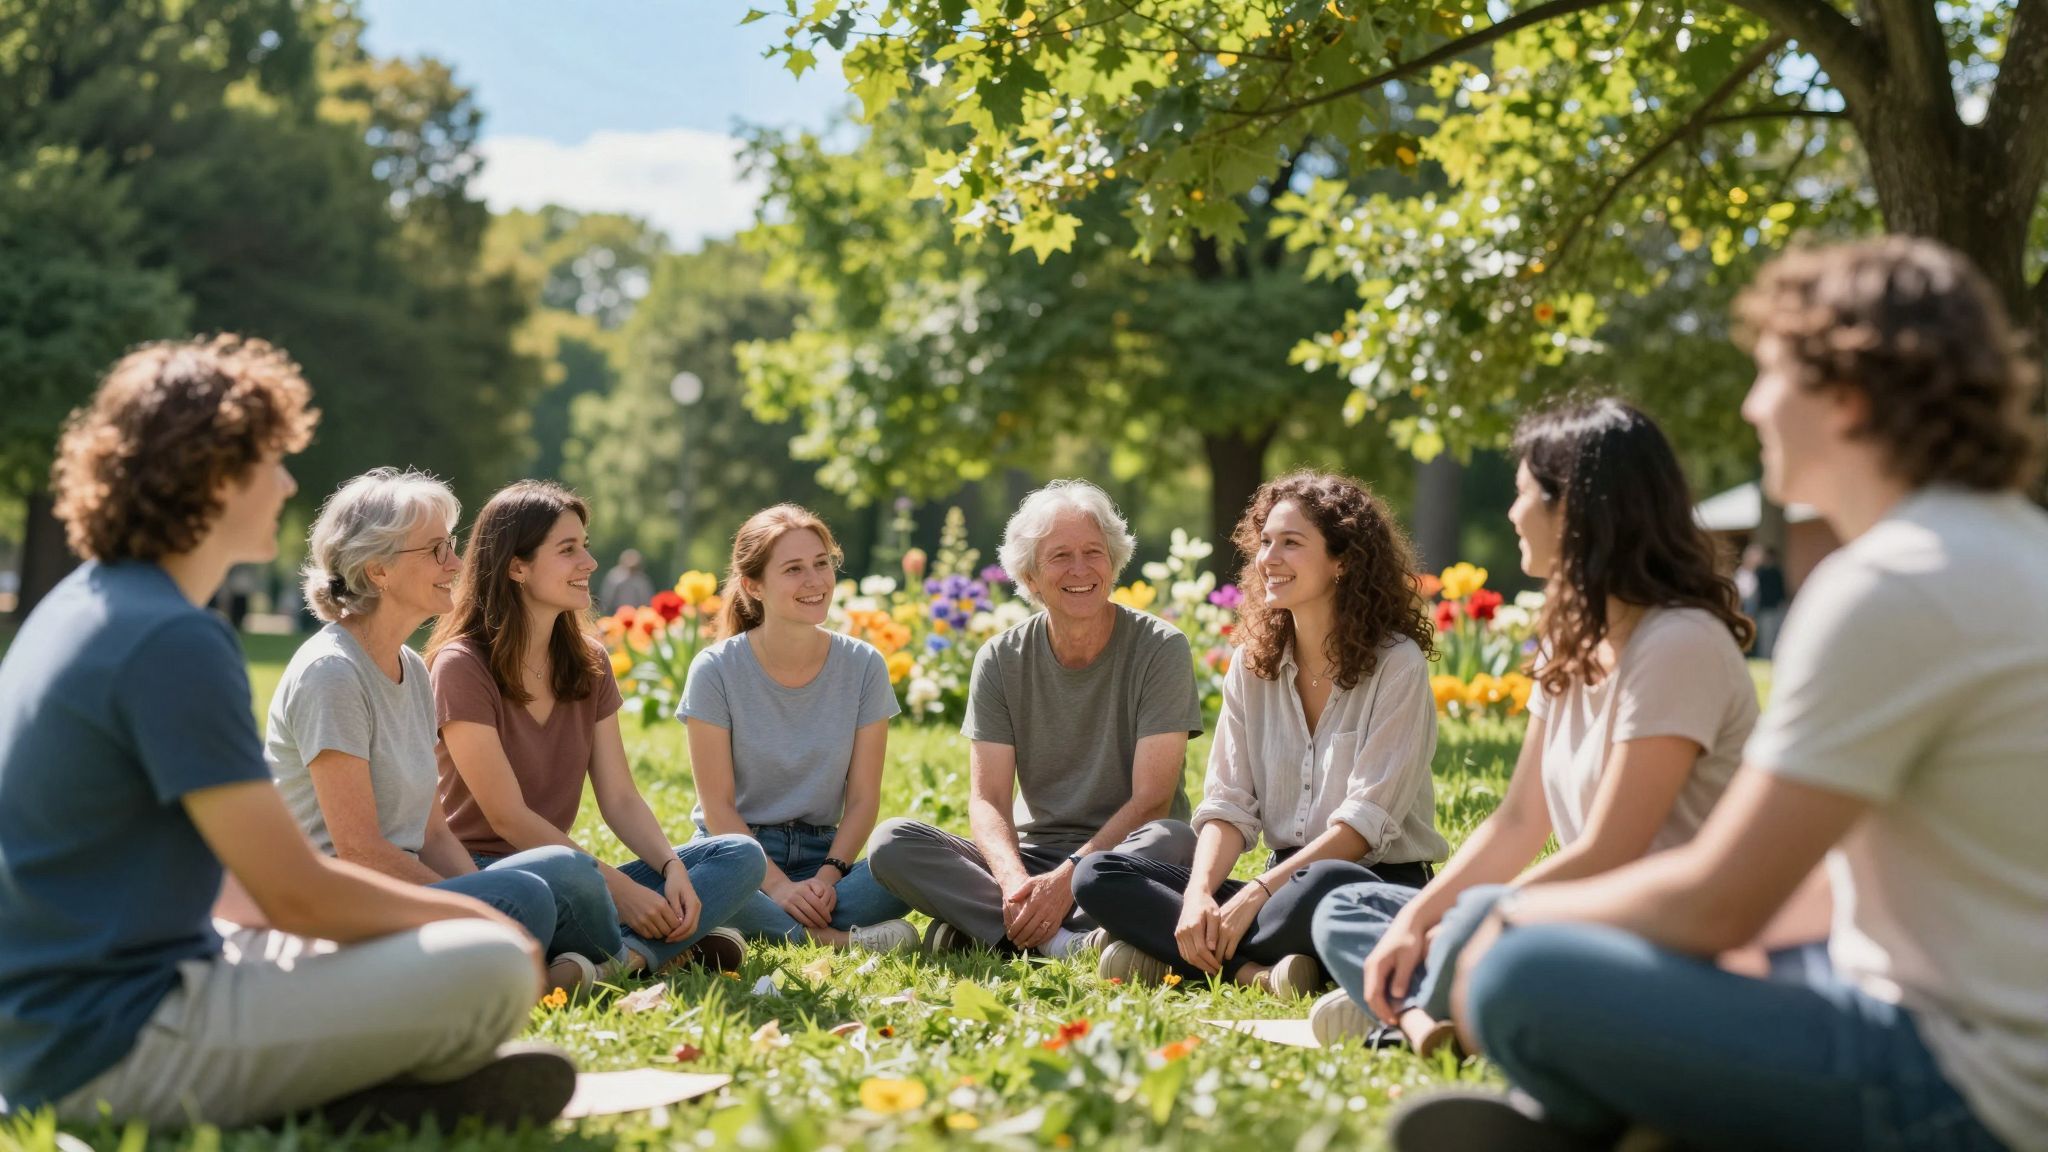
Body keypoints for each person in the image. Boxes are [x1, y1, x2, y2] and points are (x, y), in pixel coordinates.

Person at [1392, 239, 2047, 1152]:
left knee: (1524, 974)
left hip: (1960, 1083)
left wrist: (1503, 918)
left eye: (1773, 377)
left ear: (1848, 398)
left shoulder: (1891, 585)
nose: (1753, 406)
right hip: (1955, 1022)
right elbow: (1821, 890)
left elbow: (1715, 905)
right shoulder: (2012, 549)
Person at [0, 337, 572, 1129]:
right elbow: (296, 890)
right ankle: (346, 1096)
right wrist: (486, 923)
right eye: (272, 460)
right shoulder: (170, 639)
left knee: (397, 946)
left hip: (89, 1009)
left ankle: (350, 1085)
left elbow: (242, 887)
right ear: (215, 475)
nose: (289, 483)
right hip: (111, 1044)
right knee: (492, 966)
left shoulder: (87, 604)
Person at [1309, 397, 1759, 1049]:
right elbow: (1520, 820)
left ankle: (1420, 1011)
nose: (1513, 512)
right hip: (1575, 922)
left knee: (1469, 924)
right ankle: (1429, 1017)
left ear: (1571, 509)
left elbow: (1613, 850)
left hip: (1662, 943)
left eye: (1524, 493)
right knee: (1346, 907)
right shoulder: (1568, 640)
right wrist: (1423, 920)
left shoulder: (1678, 643)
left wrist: (1480, 919)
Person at [1071, 472, 1446, 996]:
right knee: (1098, 875)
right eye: (1265, 541)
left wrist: (1254, 896)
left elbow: (1365, 825)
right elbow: (1227, 805)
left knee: (1323, 885)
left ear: (1343, 561)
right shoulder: (1252, 664)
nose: (1269, 557)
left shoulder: (1397, 666)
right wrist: (1202, 894)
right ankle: (1257, 973)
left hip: (1368, 884)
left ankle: (1178, 954)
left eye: (1291, 543)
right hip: (1278, 892)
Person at [265, 467, 626, 997]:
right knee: (544, 890)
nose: (456, 564)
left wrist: (481, 896)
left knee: (547, 880)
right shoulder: (332, 674)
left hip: (407, 891)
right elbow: (359, 851)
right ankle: (609, 959)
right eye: (436, 550)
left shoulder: (410, 668)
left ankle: (584, 964)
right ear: (378, 570)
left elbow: (433, 834)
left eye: (451, 546)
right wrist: (473, 911)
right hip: (344, 908)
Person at [429, 480, 767, 979]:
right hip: (483, 875)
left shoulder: (589, 663)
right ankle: (654, 945)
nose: (589, 563)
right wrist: (619, 888)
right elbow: (507, 819)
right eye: (568, 550)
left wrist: (671, 868)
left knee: (738, 854)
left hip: (572, 875)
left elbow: (621, 798)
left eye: (584, 547)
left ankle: (619, 960)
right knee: (571, 874)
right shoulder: (461, 666)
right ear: (516, 566)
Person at [867, 480, 1204, 958]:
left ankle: (990, 931)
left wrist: (1068, 879)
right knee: (893, 843)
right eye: (1060, 556)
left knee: (1173, 838)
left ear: (1114, 562)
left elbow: (1152, 800)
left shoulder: (1161, 648)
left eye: (1094, 552)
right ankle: (1063, 940)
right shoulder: (1000, 658)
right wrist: (1012, 882)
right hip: (1031, 857)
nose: (1081, 569)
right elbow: (987, 799)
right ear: (1029, 577)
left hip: (1124, 856)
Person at [681, 505, 918, 951]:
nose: (815, 581)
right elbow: (718, 808)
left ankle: (759, 925)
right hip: (738, 855)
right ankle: (833, 939)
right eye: (793, 569)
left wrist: (827, 879)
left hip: (826, 855)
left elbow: (865, 799)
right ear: (754, 586)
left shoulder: (864, 665)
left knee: (907, 862)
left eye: (821, 563)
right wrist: (779, 888)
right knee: (685, 881)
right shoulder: (715, 670)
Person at [600, 548, 654, 612]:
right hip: (616, 611)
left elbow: (646, 599)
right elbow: (607, 596)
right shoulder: (615, 576)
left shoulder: (641, 580)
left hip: (636, 612)